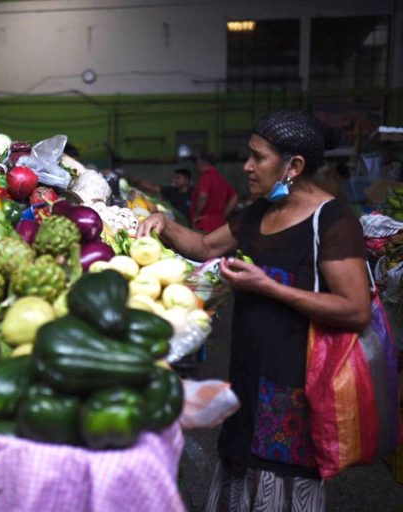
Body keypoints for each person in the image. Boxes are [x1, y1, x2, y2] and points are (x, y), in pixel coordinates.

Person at [137, 109, 371, 511]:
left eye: (257, 157)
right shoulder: (261, 211)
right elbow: (205, 246)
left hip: (296, 390)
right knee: (239, 471)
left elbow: (355, 309)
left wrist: (269, 286)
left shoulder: (332, 222)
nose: (246, 166)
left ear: (293, 166)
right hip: (248, 379)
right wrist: (162, 221)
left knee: (280, 486)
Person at [190, 151, 238, 232]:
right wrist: (223, 215)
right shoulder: (220, 178)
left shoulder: (206, 177)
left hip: (204, 223)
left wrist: (196, 216)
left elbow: (203, 196)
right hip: (220, 224)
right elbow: (234, 197)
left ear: (201, 162)